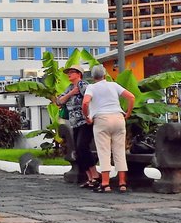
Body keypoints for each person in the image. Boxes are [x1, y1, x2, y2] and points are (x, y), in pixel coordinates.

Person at [82, 65, 136, 193]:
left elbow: (85, 103)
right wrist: (127, 113)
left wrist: (87, 117)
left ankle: (106, 183)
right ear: (105, 75)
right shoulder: (113, 85)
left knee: (104, 151)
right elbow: (131, 97)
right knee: (119, 151)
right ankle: (122, 183)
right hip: (118, 118)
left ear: (93, 77)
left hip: (102, 120)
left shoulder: (91, 87)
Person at [55, 66, 95, 187]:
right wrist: (71, 93)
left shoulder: (83, 85)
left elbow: (90, 99)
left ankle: (95, 175)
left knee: (82, 147)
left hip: (85, 121)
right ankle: (90, 177)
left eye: (71, 72)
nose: (69, 74)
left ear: (79, 74)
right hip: (74, 122)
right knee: (78, 150)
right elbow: (59, 101)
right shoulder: (70, 88)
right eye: (68, 73)